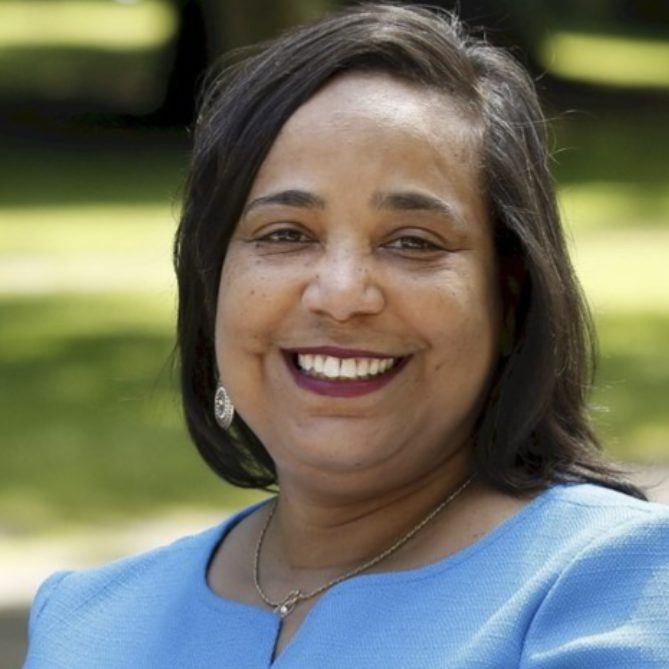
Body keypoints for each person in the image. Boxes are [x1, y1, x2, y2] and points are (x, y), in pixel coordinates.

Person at [23, 3, 669, 668]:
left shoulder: (613, 585)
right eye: (285, 234)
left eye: (412, 242)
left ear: (507, 300)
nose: (339, 293)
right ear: (213, 284)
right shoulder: (83, 622)